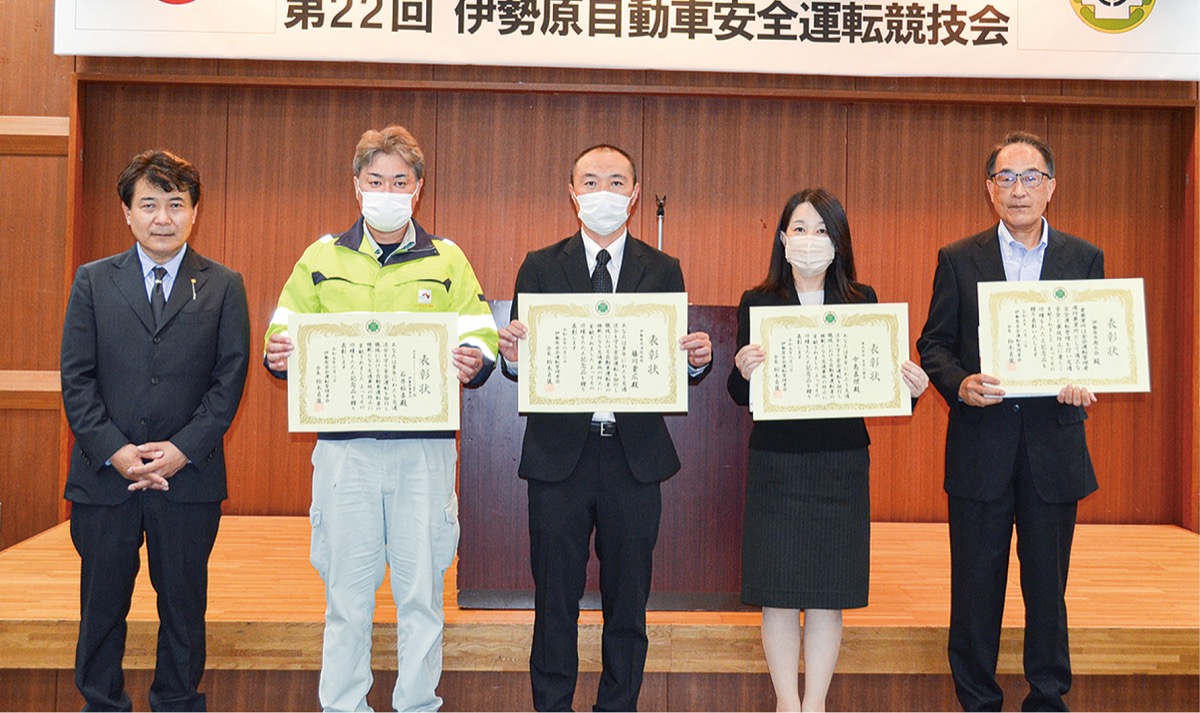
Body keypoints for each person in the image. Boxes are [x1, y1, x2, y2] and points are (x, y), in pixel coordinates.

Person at [263, 124, 497, 712]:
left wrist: (476, 356)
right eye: (376, 180)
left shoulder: (447, 258)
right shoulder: (321, 257)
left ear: (418, 189)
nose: (387, 192)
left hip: (424, 450)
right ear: (356, 186)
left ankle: (418, 704)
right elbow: (282, 330)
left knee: (422, 595)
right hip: (346, 452)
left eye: (399, 181)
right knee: (346, 597)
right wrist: (278, 352)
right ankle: (344, 705)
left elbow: (480, 332)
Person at [497, 144, 713, 712]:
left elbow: (670, 363)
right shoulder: (540, 266)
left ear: (634, 195)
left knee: (628, 603)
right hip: (558, 459)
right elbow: (521, 364)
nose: (603, 192)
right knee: (555, 600)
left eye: (616, 182)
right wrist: (513, 357)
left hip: (633, 458)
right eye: (590, 181)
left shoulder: (662, 269)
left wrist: (695, 361)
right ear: (572, 193)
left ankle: (618, 706)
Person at [917, 131, 1104, 712]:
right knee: (976, 588)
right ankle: (978, 700)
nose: (1018, 189)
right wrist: (959, 384)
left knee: (1048, 588)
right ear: (990, 189)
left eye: (1030, 177)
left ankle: (1047, 698)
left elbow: (1097, 342)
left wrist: (1085, 378)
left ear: (1051, 186)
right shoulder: (958, 258)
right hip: (981, 446)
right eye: (1006, 178)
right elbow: (934, 344)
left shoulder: (1084, 258)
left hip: (1054, 446)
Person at [60, 149, 251, 711]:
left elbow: (228, 381)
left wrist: (181, 451)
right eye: (148, 204)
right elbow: (76, 379)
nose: (162, 218)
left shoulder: (224, 285)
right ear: (127, 212)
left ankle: (177, 702)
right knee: (101, 608)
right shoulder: (93, 281)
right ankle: (101, 703)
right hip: (105, 479)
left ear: (195, 212)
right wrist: (116, 451)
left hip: (187, 480)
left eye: (175, 204)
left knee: (184, 610)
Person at [727, 188, 928, 712]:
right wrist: (742, 370)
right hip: (777, 462)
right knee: (777, 592)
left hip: (840, 463)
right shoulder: (758, 301)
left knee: (827, 591)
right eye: (799, 229)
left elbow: (879, 381)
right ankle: (785, 704)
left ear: (839, 241)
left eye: (821, 230)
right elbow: (738, 393)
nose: (810, 240)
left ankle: (814, 704)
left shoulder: (862, 301)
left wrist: (910, 387)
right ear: (782, 238)